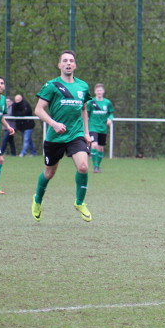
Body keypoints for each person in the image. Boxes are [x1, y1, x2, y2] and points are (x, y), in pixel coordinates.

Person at [31, 50, 93, 222]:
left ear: (75, 65)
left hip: (76, 134)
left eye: (71, 61)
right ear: (59, 65)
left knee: (83, 167)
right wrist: (54, 124)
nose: (68, 63)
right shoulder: (52, 85)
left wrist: (86, 133)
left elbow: (84, 109)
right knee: (49, 173)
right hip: (55, 137)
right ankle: (37, 200)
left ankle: (79, 202)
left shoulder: (83, 86)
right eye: (64, 60)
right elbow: (38, 109)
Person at [86, 83, 114, 173]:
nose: (99, 92)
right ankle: (95, 166)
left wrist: (110, 119)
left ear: (103, 91)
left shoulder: (107, 102)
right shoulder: (91, 102)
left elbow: (111, 113)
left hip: (103, 128)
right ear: (95, 92)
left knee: (101, 148)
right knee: (94, 145)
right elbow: (86, 114)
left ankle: (98, 166)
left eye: (100, 90)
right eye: (97, 90)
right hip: (93, 127)